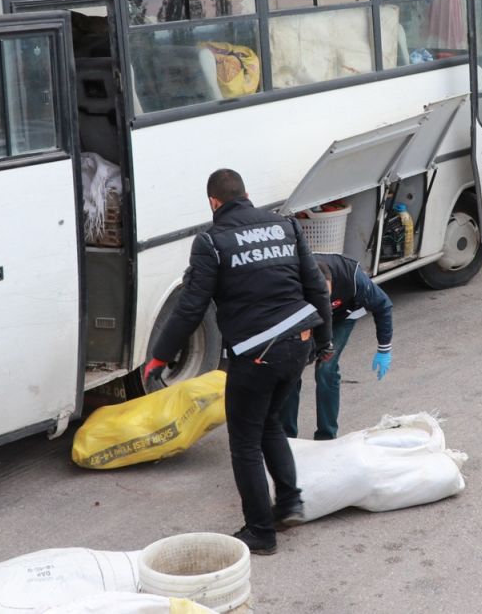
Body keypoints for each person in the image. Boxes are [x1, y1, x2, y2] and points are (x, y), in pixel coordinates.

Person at [145, 168, 334, 555]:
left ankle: (261, 532)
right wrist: (324, 341)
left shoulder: (211, 242)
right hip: (298, 343)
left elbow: (190, 307)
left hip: (259, 352)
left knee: (245, 442)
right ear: (246, 194)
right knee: (270, 425)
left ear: (214, 202)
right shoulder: (285, 226)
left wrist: (160, 356)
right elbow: (315, 285)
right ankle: (289, 502)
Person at [280, 253, 394, 441]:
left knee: (326, 369)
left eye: (325, 294)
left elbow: (383, 306)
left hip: (342, 318)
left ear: (332, 282)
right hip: (308, 319)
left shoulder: (352, 276)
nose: (322, 300)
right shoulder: (291, 281)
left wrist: (384, 350)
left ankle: (326, 436)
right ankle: (287, 437)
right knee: (291, 370)